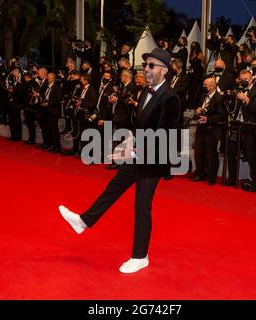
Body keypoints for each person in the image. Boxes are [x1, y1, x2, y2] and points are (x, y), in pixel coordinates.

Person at [59, 48, 181, 273]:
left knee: (141, 206)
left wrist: (133, 151)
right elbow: (141, 126)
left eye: (151, 65)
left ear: (163, 70)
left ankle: (140, 256)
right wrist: (128, 143)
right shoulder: (145, 92)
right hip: (138, 154)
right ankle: (83, 222)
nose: (146, 69)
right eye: (145, 65)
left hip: (153, 161)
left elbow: (164, 137)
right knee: (112, 188)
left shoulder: (170, 98)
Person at [190, 77, 227, 185]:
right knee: (198, 152)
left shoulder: (219, 98)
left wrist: (208, 119)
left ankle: (212, 177)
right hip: (200, 128)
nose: (204, 86)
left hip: (211, 130)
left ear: (212, 86)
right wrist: (197, 112)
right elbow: (198, 112)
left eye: (205, 85)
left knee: (211, 155)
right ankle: (200, 173)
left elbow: (222, 115)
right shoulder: (203, 96)